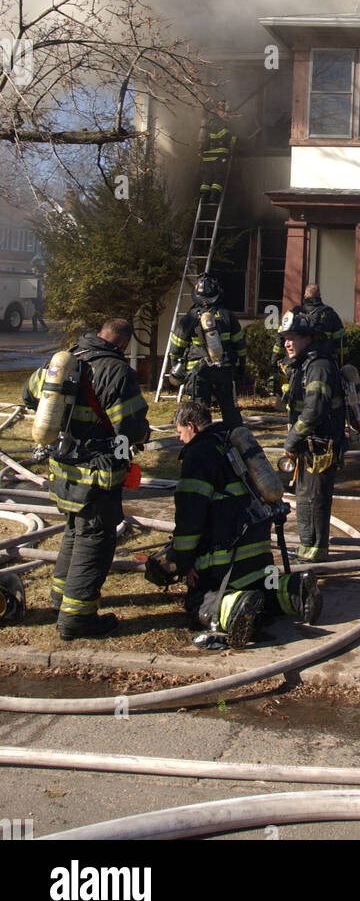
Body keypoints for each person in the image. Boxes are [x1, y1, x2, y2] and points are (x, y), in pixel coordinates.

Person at [23, 318, 149, 639]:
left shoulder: (65, 360)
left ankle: (59, 597)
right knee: (95, 538)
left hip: (63, 469)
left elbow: (28, 396)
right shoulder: (116, 372)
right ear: (122, 344)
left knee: (74, 530)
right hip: (97, 475)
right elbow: (132, 428)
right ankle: (77, 618)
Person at [167, 401, 270, 648]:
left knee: (196, 603)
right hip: (258, 554)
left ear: (191, 426)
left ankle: (233, 607)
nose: (181, 440)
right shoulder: (230, 443)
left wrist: (183, 561)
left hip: (226, 559)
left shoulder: (198, 454)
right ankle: (293, 592)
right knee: (267, 592)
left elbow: (190, 517)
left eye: (180, 433)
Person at [279, 309, 346, 563]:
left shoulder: (319, 366)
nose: (286, 343)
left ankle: (315, 554)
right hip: (309, 446)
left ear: (309, 338)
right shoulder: (304, 365)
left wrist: (292, 439)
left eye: (292, 337)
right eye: (285, 337)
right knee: (304, 497)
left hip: (321, 447)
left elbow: (315, 410)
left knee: (314, 499)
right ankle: (308, 548)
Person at [168, 275, 246, 429]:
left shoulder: (190, 318)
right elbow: (240, 345)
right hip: (223, 368)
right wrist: (240, 367)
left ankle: (201, 439)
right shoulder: (227, 316)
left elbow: (176, 346)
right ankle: (236, 435)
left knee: (199, 407)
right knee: (228, 405)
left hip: (197, 371)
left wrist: (175, 364)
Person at [198, 99, 236, 203]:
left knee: (207, 178)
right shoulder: (217, 122)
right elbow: (223, 135)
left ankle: (203, 197)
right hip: (218, 155)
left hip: (207, 155)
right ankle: (214, 197)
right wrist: (233, 138)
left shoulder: (208, 122)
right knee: (219, 176)